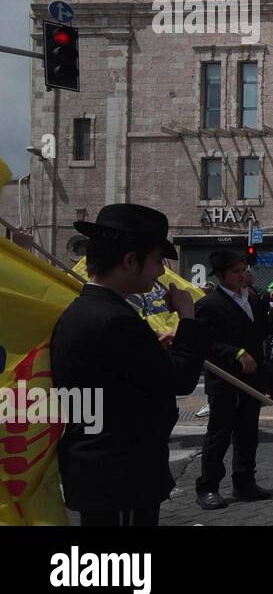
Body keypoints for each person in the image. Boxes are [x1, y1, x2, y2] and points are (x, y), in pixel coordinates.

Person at [51, 204, 213, 526]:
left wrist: (151, 352)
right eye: (157, 262)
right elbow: (180, 378)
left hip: (104, 469)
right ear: (129, 261)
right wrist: (188, 318)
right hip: (119, 473)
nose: (160, 273)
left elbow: (120, 376)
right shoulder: (113, 319)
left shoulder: (91, 311)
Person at [193, 249, 273, 509]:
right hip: (225, 379)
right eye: (236, 271)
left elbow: (261, 331)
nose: (243, 275)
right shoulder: (208, 305)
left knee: (248, 432)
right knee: (219, 433)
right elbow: (204, 343)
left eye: (243, 270)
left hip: (252, 379)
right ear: (220, 275)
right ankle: (208, 486)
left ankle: (244, 481)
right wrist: (235, 353)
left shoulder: (250, 299)